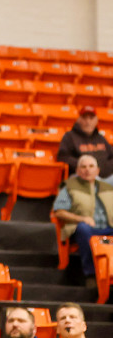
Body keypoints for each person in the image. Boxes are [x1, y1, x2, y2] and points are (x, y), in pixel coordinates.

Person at [52, 154, 113, 288]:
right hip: (84, 228)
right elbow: (59, 212)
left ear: (98, 171)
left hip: (108, 227)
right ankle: (91, 275)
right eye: (83, 167)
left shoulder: (108, 187)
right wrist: (81, 219)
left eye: (91, 166)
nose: (87, 170)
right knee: (83, 229)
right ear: (78, 171)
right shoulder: (69, 186)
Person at [57, 106, 113, 180]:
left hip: (105, 178)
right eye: (84, 118)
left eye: (91, 118)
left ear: (96, 120)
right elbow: (62, 157)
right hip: (81, 177)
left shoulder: (100, 138)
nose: (88, 122)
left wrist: (100, 167)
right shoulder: (69, 137)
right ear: (78, 120)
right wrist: (85, 165)